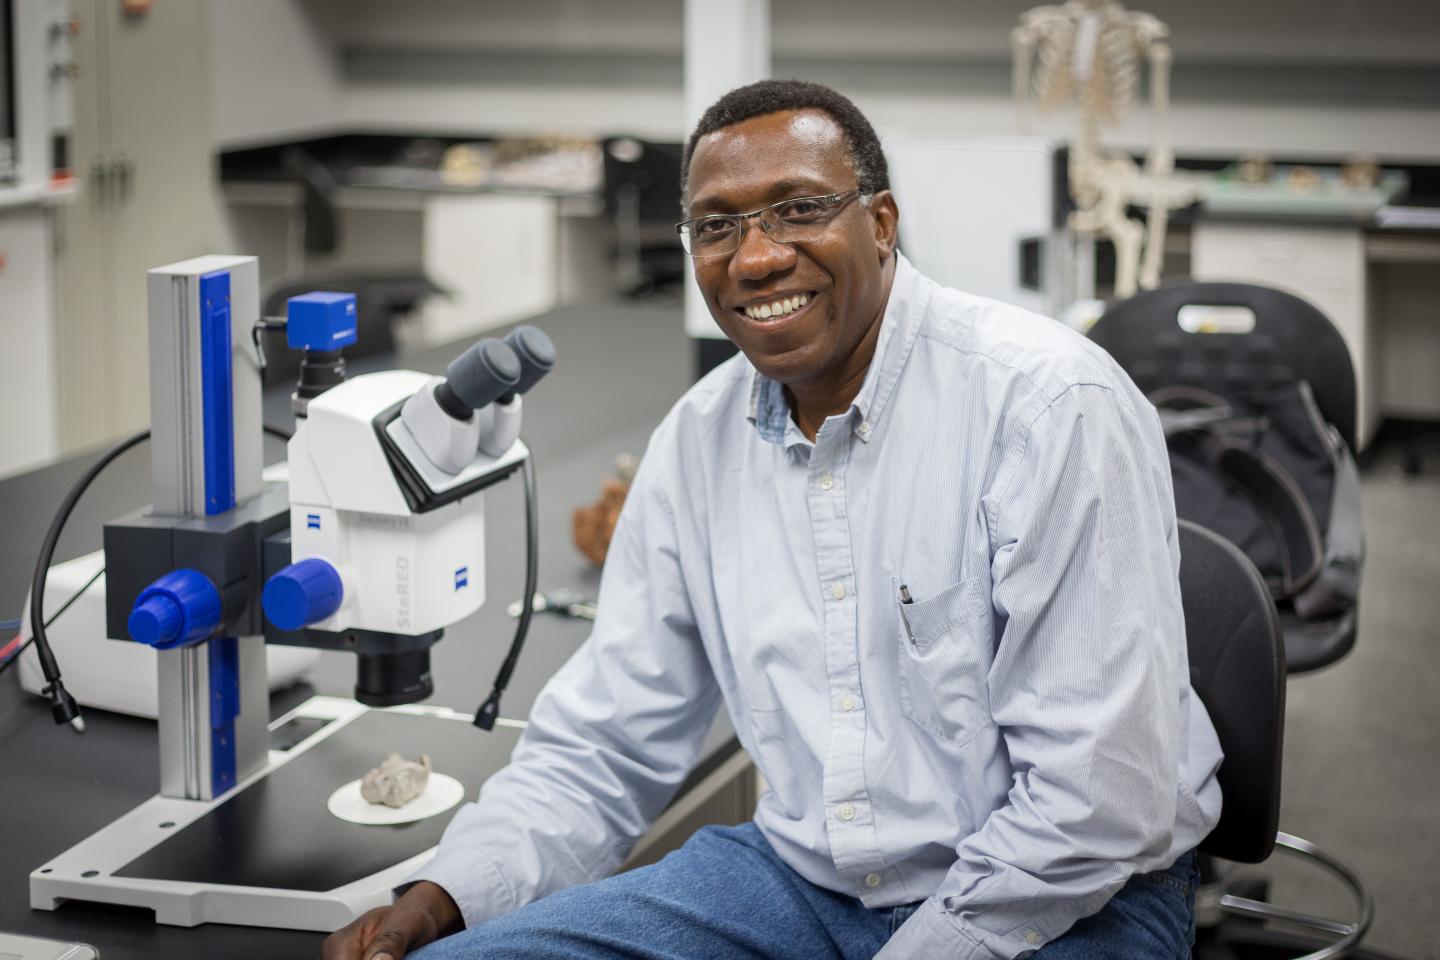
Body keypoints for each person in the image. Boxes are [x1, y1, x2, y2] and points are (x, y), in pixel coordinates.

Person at [322, 79, 1223, 960]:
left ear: (881, 224)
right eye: (717, 225)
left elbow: (1096, 802)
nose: (754, 258)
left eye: (798, 209)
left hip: (1068, 897)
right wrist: (447, 894)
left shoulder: (1047, 406)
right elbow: (609, 734)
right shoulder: (700, 440)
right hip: (803, 880)